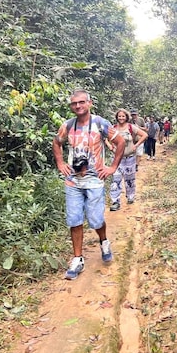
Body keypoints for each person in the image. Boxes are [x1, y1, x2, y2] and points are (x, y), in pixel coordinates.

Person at [52, 89, 125, 280]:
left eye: (81, 102)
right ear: (71, 106)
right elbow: (56, 142)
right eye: (74, 103)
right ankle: (78, 259)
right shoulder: (67, 125)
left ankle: (104, 241)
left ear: (89, 103)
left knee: (95, 219)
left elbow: (120, 142)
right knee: (74, 220)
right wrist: (60, 163)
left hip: (94, 180)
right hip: (73, 181)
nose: (78, 106)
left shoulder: (100, 123)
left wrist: (112, 167)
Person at [108, 109, 148, 211]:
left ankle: (130, 196)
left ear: (126, 117)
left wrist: (136, 145)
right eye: (119, 116)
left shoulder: (131, 127)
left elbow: (144, 135)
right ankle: (115, 201)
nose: (121, 118)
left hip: (129, 158)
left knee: (129, 179)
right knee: (116, 179)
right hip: (117, 159)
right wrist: (110, 146)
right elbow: (106, 138)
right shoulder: (113, 128)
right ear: (117, 117)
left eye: (123, 116)